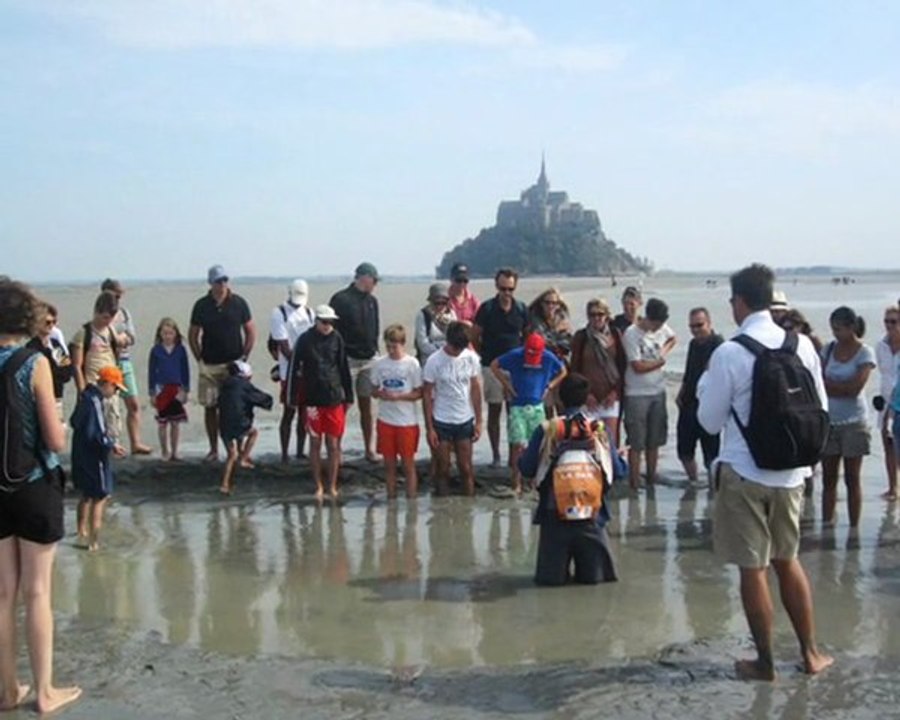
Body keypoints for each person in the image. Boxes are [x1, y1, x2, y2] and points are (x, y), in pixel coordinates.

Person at [698, 263, 833, 681]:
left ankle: (765, 662)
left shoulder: (730, 352)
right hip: (792, 475)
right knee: (788, 561)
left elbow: (709, 422)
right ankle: (811, 654)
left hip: (745, 472)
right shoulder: (802, 345)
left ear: (739, 302)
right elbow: (821, 409)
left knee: (753, 568)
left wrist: (705, 389)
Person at [0, 278, 82, 714]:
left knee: (2, 594)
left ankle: (8, 689)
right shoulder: (35, 362)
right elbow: (53, 439)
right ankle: (45, 691)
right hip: (33, 483)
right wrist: (62, 429)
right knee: (37, 592)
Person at [518, 373, 618, 586]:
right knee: (595, 584)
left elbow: (526, 469)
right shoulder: (599, 429)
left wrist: (522, 456)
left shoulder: (547, 429)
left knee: (550, 584)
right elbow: (618, 472)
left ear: (559, 399)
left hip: (554, 515)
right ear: (586, 399)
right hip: (592, 516)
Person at [188, 265, 255, 462]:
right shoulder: (201, 305)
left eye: (225, 280)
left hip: (234, 365)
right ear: (211, 283)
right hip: (210, 365)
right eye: (218, 281)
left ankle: (239, 449)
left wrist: (244, 357)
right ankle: (213, 449)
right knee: (210, 407)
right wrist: (199, 358)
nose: (223, 284)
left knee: (236, 408)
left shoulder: (239, 303)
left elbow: (250, 330)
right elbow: (193, 334)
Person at [287, 305, 354, 499]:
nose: (327, 326)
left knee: (333, 444)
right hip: (312, 400)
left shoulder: (337, 338)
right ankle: (318, 485)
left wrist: (349, 395)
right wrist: (292, 396)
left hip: (333, 398)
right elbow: (293, 368)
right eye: (324, 322)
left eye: (331, 322)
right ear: (316, 321)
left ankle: (332, 486)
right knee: (315, 443)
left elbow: (343, 368)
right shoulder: (304, 340)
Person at [491, 332, 566, 493]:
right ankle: (516, 482)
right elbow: (494, 365)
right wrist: (507, 385)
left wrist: (550, 386)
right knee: (517, 444)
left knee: (537, 445)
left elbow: (563, 371)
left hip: (537, 406)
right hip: (517, 406)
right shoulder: (515, 355)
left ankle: (533, 481)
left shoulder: (548, 357)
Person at [820, 306, 875, 528]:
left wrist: (832, 386)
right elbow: (818, 382)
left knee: (852, 478)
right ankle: (826, 524)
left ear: (851, 327)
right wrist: (838, 387)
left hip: (854, 423)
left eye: (839, 329)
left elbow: (854, 389)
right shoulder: (828, 350)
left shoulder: (865, 353)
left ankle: (854, 528)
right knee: (828, 478)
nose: (836, 334)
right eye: (833, 329)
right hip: (829, 422)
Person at [472, 268, 528, 468]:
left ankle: (514, 457)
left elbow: (527, 336)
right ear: (496, 286)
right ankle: (496, 455)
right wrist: (484, 355)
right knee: (494, 410)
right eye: (503, 288)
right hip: (491, 365)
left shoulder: (521, 309)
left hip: (515, 369)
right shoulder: (487, 308)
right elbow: (474, 335)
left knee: (515, 413)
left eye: (510, 289)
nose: (506, 293)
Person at [70, 365, 127, 551]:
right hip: (94, 457)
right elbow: (98, 432)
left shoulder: (84, 397)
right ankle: (94, 542)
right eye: (116, 388)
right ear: (108, 384)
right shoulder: (95, 401)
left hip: (79, 453)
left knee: (86, 495)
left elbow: (74, 422)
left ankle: (81, 532)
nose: (115, 392)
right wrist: (111, 445)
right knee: (100, 496)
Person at [622, 298, 677, 489]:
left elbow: (673, 338)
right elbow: (637, 366)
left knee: (654, 440)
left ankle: (652, 478)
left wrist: (663, 352)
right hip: (636, 393)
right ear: (649, 318)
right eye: (656, 325)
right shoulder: (631, 334)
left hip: (658, 391)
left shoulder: (662, 329)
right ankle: (634, 482)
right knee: (636, 442)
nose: (658, 328)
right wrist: (659, 363)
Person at [422, 322, 483, 496]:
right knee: (443, 468)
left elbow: (475, 389)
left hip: (464, 419)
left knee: (466, 468)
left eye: (460, 348)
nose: (457, 352)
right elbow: (427, 394)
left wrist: (479, 421)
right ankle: (441, 506)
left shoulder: (470, 358)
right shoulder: (434, 361)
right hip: (441, 420)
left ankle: (468, 506)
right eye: (455, 347)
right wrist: (430, 428)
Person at [330, 262, 380, 462]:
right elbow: (332, 329)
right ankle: (337, 449)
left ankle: (369, 448)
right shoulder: (340, 299)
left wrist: (376, 350)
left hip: (369, 359)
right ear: (363, 277)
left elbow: (375, 327)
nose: (375, 285)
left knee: (367, 406)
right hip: (348, 359)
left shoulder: (372, 301)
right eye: (374, 280)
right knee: (343, 404)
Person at [370, 324, 423, 499]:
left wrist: (399, 396)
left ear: (403, 344)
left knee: (408, 465)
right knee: (389, 466)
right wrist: (381, 394)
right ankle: (391, 501)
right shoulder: (379, 364)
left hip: (407, 422)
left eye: (395, 346)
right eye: (388, 346)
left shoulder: (412, 364)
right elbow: (373, 390)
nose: (391, 350)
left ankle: (411, 502)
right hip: (386, 421)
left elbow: (419, 393)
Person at [101, 278, 152, 455]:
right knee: (109, 406)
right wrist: (116, 338)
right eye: (115, 295)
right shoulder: (100, 314)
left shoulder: (124, 313)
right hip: (108, 362)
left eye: (119, 296)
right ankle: (111, 444)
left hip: (124, 361)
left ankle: (135, 442)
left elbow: (131, 337)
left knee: (133, 403)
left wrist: (122, 339)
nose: (118, 299)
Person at [676, 307, 723, 484]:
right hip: (688, 403)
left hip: (708, 406)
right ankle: (693, 482)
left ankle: (713, 487)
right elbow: (689, 372)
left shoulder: (719, 345)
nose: (695, 330)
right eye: (692, 326)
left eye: (699, 325)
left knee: (711, 454)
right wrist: (681, 392)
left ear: (709, 323)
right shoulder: (693, 344)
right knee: (684, 451)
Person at [269, 279, 315, 463]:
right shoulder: (279, 313)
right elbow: (283, 345)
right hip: (288, 371)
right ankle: (284, 453)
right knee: (289, 411)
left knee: (305, 413)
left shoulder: (309, 313)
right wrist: (298, 363)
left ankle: (300, 451)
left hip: (307, 370)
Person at [570, 298, 623, 446]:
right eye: (592, 315)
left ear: (607, 315)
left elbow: (622, 366)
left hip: (610, 397)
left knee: (610, 443)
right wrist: (586, 395)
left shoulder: (615, 335)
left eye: (600, 314)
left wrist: (615, 392)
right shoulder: (581, 337)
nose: (596, 318)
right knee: (589, 443)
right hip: (588, 398)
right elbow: (575, 369)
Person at [217, 361, 273, 495]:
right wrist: (269, 401)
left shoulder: (224, 386)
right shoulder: (244, 386)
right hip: (239, 423)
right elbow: (261, 398)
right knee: (253, 433)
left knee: (231, 455)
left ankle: (224, 485)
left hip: (223, 424)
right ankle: (243, 458)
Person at [148, 317, 190, 461]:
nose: (167, 336)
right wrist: (152, 393)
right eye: (165, 333)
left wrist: (185, 390)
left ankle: (175, 451)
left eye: (170, 333)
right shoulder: (156, 351)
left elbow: (185, 370)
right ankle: (164, 451)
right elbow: (151, 372)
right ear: (160, 334)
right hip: (161, 389)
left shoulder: (181, 350)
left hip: (176, 389)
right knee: (162, 423)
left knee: (175, 422)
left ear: (175, 334)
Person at [26, 302, 72, 421]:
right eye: (47, 322)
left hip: (57, 397)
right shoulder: (32, 348)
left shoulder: (55, 345)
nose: (51, 325)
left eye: (54, 322)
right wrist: (56, 371)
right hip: (41, 400)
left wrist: (55, 372)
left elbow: (67, 372)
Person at [875, 305, 900, 500]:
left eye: (894, 321)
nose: (889, 325)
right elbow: (883, 374)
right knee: (888, 445)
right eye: (886, 321)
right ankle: (893, 487)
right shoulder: (880, 346)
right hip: (885, 402)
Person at [414, 282, 457, 365]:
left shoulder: (452, 315)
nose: (439, 306)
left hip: (450, 357)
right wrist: (441, 353)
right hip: (429, 359)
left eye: (443, 303)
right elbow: (422, 344)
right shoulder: (423, 315)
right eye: (437, 303)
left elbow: (455, 337)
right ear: (430, 301)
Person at [527, 287, 573, 363]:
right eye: (547, 302)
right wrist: (556, 331)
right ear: (541, 303)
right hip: (539, 360)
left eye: (554, 303)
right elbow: (539, 343)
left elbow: (567, 345)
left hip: (558, 361)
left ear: (558, 305)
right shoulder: (533, 320)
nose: (550, 306)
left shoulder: (563, 320)